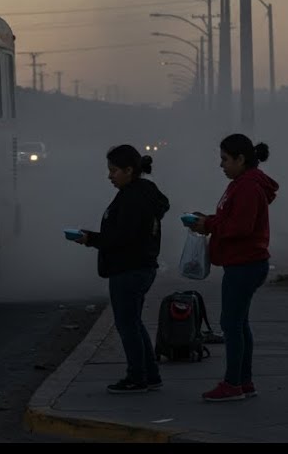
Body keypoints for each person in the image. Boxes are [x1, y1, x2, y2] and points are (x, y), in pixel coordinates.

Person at [185, 134, 277, 402]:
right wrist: (207, 220)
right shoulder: (242, 184)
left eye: (225, 159)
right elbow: (231, 218)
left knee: (231, 324)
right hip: (244, 262)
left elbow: (240, 227)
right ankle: (244, 381)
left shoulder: (247, 187)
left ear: (241, 159)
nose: (221, 165)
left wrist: (209, 226)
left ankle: (232, 383)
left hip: (244, 264)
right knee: (239, 323)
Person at [76, 144, 170, 394]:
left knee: (127, 326)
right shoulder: (145, 192)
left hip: (128, 269)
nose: (110, 176)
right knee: (134, 323)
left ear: (129, 170)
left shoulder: (132, 197)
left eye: (114, 171)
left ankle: (136, 377)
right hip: (141, 267)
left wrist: (91, 239)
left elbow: (122, 237)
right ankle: (150, 375)